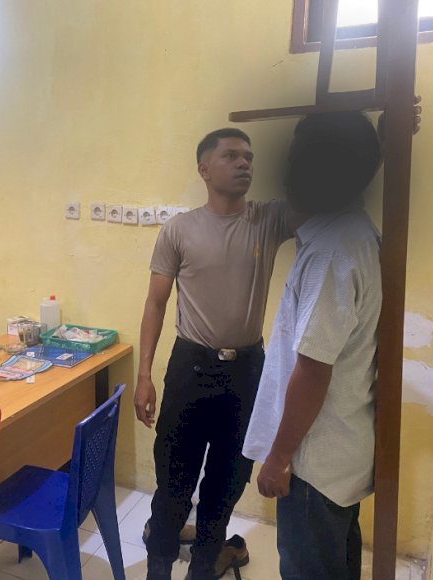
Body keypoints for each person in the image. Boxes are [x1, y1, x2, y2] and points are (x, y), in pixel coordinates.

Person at [135, 128, 292, 579]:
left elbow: (329, 196)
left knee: (227, 482)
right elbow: (155, 303)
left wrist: (382, 143)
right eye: (231, 156)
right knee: (174, 479)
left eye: (249, 157)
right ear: (204, 169)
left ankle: (203, 567)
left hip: (246, 373)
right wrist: (144, 376)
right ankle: (158, 567)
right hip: (191, 368)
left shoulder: (268, 220)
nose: (244, 163)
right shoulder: (179, 230)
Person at [242, 111, 385, 580]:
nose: (287, 175)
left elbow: (313, 369)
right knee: (335, 564)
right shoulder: (353, 231)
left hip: (312, 464)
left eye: (299, 162)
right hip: (337, 455)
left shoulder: (331, 252)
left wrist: (279, 458)